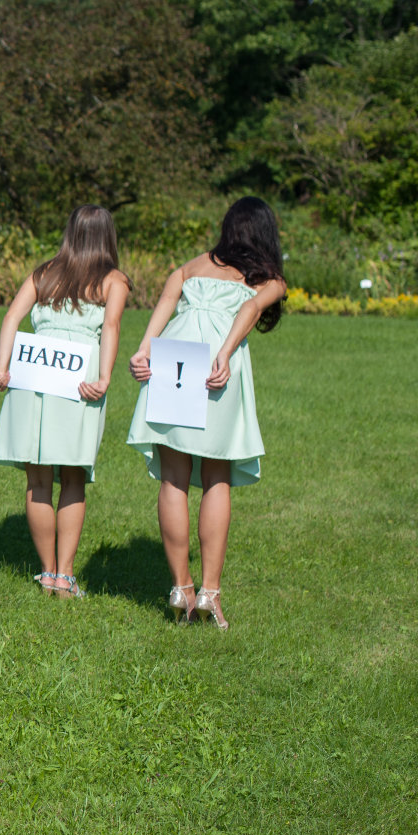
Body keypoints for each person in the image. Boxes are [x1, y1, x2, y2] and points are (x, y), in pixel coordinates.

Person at [127, 197, 287, 628]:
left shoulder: (193, 264)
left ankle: (181, 587)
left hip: (174, 357)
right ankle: (209, 594)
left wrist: (144, 349)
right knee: (217, 476)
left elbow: (165, 299)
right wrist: (226, 353)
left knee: (173, 477)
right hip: (215, 366)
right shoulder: (270, 280)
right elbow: (251, 309)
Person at [0, 205, 130, 598]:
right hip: (78, 381)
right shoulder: (113, 280)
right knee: (72, 477)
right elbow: (112, 327)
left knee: (37, 479)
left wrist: (4, 368)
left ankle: (47, 571)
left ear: (69, 233)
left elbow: (11, 318)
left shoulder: (44, 274)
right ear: (107, 237)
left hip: (33, 376)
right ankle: (65, 576)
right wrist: (104, 378)